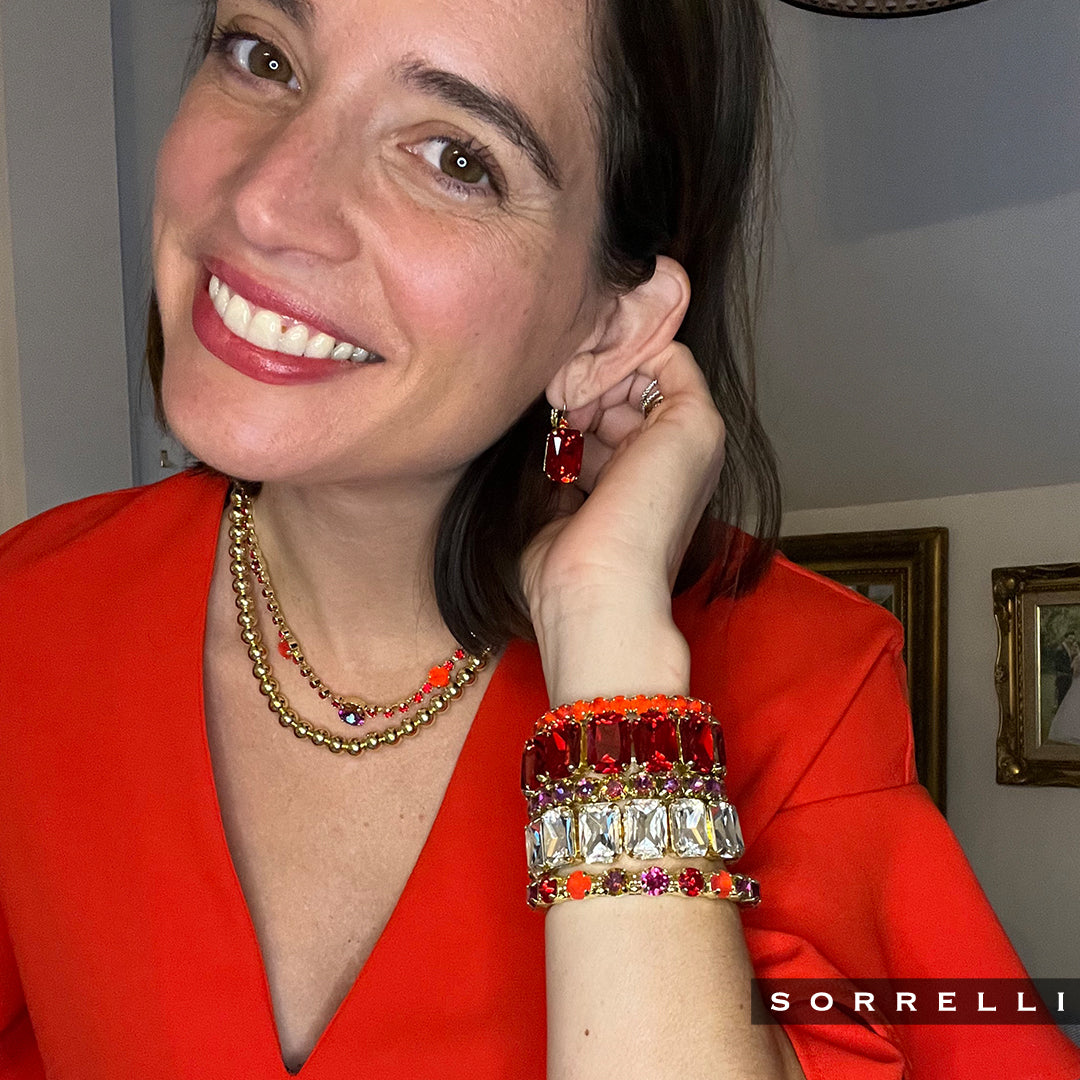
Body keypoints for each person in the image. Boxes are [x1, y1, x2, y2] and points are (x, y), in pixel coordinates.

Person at [0, 1, 1078, 1078]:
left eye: (455, 157)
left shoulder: (802, 689)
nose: (265, 200)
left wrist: (608, 641)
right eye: (263, 56)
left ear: (608, 329)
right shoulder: (30, 615)